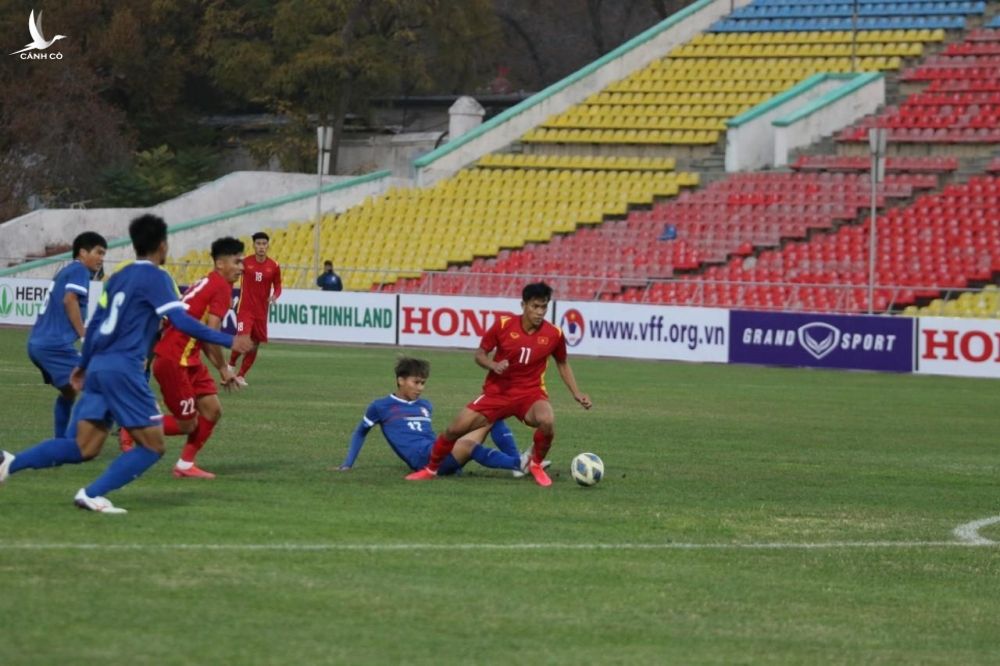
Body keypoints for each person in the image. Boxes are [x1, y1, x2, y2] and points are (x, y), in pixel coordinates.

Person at [0, 214, 253, 514]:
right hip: (124, 369)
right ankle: (92, 493)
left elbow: (96, 325)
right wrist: (229, 341)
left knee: (85, 447)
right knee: (153, 446)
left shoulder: (118, 278)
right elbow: (182, 321)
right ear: (162, 245)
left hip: (99, 367)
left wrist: (84, 364)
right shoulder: (156, 277)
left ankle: (10, 462)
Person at [406, 282, 592, 487]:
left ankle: (535, 464)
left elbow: (563, 363)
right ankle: (430, 469)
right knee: (453, 429)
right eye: (535, 306)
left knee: (547, 420)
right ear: (523, 305)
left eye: (544, 307)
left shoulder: (554, 334)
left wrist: (576, 392)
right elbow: (479, 354)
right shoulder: (503, 325)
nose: (540, 312)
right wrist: (493, 365)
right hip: (497, 393)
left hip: (530, 394)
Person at [119, 236, 245, 479]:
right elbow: (212, 333)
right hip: (174, 359)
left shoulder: (209, 282)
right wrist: (223, 368)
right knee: (188, 424)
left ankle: (185, 465)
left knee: (212, 409)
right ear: (220, 263)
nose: (241, 267)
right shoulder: (220, 287)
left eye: (242, 263)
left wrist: (221, 368)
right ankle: (134, 425)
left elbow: (202, 332)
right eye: (237, 262)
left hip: (188, 358)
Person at [337, 357, 525, 476]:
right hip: (422, 459)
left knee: (490, 416)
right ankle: (520, 464)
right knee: (468, 446)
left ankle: (517, 462)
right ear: (400, 380)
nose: (420, 388)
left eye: (423, 383)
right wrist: (347, 464)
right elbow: (360, 432)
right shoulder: (380, 406)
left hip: (437, 450)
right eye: (416, 382)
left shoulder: (425, 405)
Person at [27, 231, 107, 437]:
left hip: (38, 345)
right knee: (101, 381)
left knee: (70, 392)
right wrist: (83, 334)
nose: (101, 258)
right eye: (98, 252)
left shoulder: (68, 271)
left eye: (104, 254)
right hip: (54, 346)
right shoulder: (79, 270)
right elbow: (69, 300)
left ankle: (61, 439)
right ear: (82, 252)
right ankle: (86, 439)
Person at [228, 231, 281, 386]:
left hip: (261, 312)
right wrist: (229, 294)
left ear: (268, 246)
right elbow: (231, 276)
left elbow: (278, 285)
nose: (261, 247)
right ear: (254, 245)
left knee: (254, 344)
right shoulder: (245, 262)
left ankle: (241, 375)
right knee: (243, 338)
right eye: (258, 244)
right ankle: (230, 364)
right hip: (245, 309)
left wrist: (275, 296)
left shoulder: (274, 266)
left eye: (264, 244)